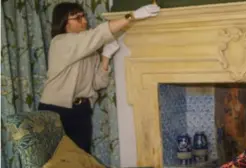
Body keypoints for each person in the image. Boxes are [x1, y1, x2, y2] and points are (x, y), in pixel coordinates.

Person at [38, 2, 160, 153]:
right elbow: (97, 35)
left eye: (83, 16)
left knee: (81, 160)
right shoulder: (60, 42)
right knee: (56, 164)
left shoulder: (89, 51)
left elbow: (98, 83)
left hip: (80, 111)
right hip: (55, 111)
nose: (84, 21)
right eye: (77, 18)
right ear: (64, 22)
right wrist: (131, 16)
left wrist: (105, 57)